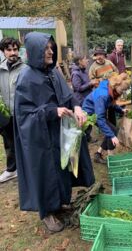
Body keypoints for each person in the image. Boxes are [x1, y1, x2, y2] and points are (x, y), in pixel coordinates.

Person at [14, 32, 95, 233]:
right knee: (45, 174)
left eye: (51, 47)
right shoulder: (26, 78)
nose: (51, 52)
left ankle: (60, 203)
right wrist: (52, 111)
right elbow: (24, 116)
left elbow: (67, 96)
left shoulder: (53, 72)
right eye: (46, 49)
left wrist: (76, 107)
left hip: (59, 134)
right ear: (34, 51)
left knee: (62, 168)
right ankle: (48, 212)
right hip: (40, 138)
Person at [83, 73, 130, 164]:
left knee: (111, 130)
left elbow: (110, 103)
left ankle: (98, 154)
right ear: (117, 85)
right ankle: (111, 157)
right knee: (111, 131)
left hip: (98, 110)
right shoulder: (103, 95)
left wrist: (121, 110)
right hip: (91, 114)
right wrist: (112, 136)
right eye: (123, 89)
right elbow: (99, 118)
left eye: (125, 90)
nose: (123, 92)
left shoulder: (110, 88)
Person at [0, 37, 26, 183]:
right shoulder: (0, 69)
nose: (12, 53)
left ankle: (26, 169)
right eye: (9, 50)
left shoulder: (26, 70)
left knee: (25, 142)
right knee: (9, 143)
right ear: (3, 52)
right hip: (7, 115)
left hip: (22, 114)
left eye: (15, 49)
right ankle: (11, 170)